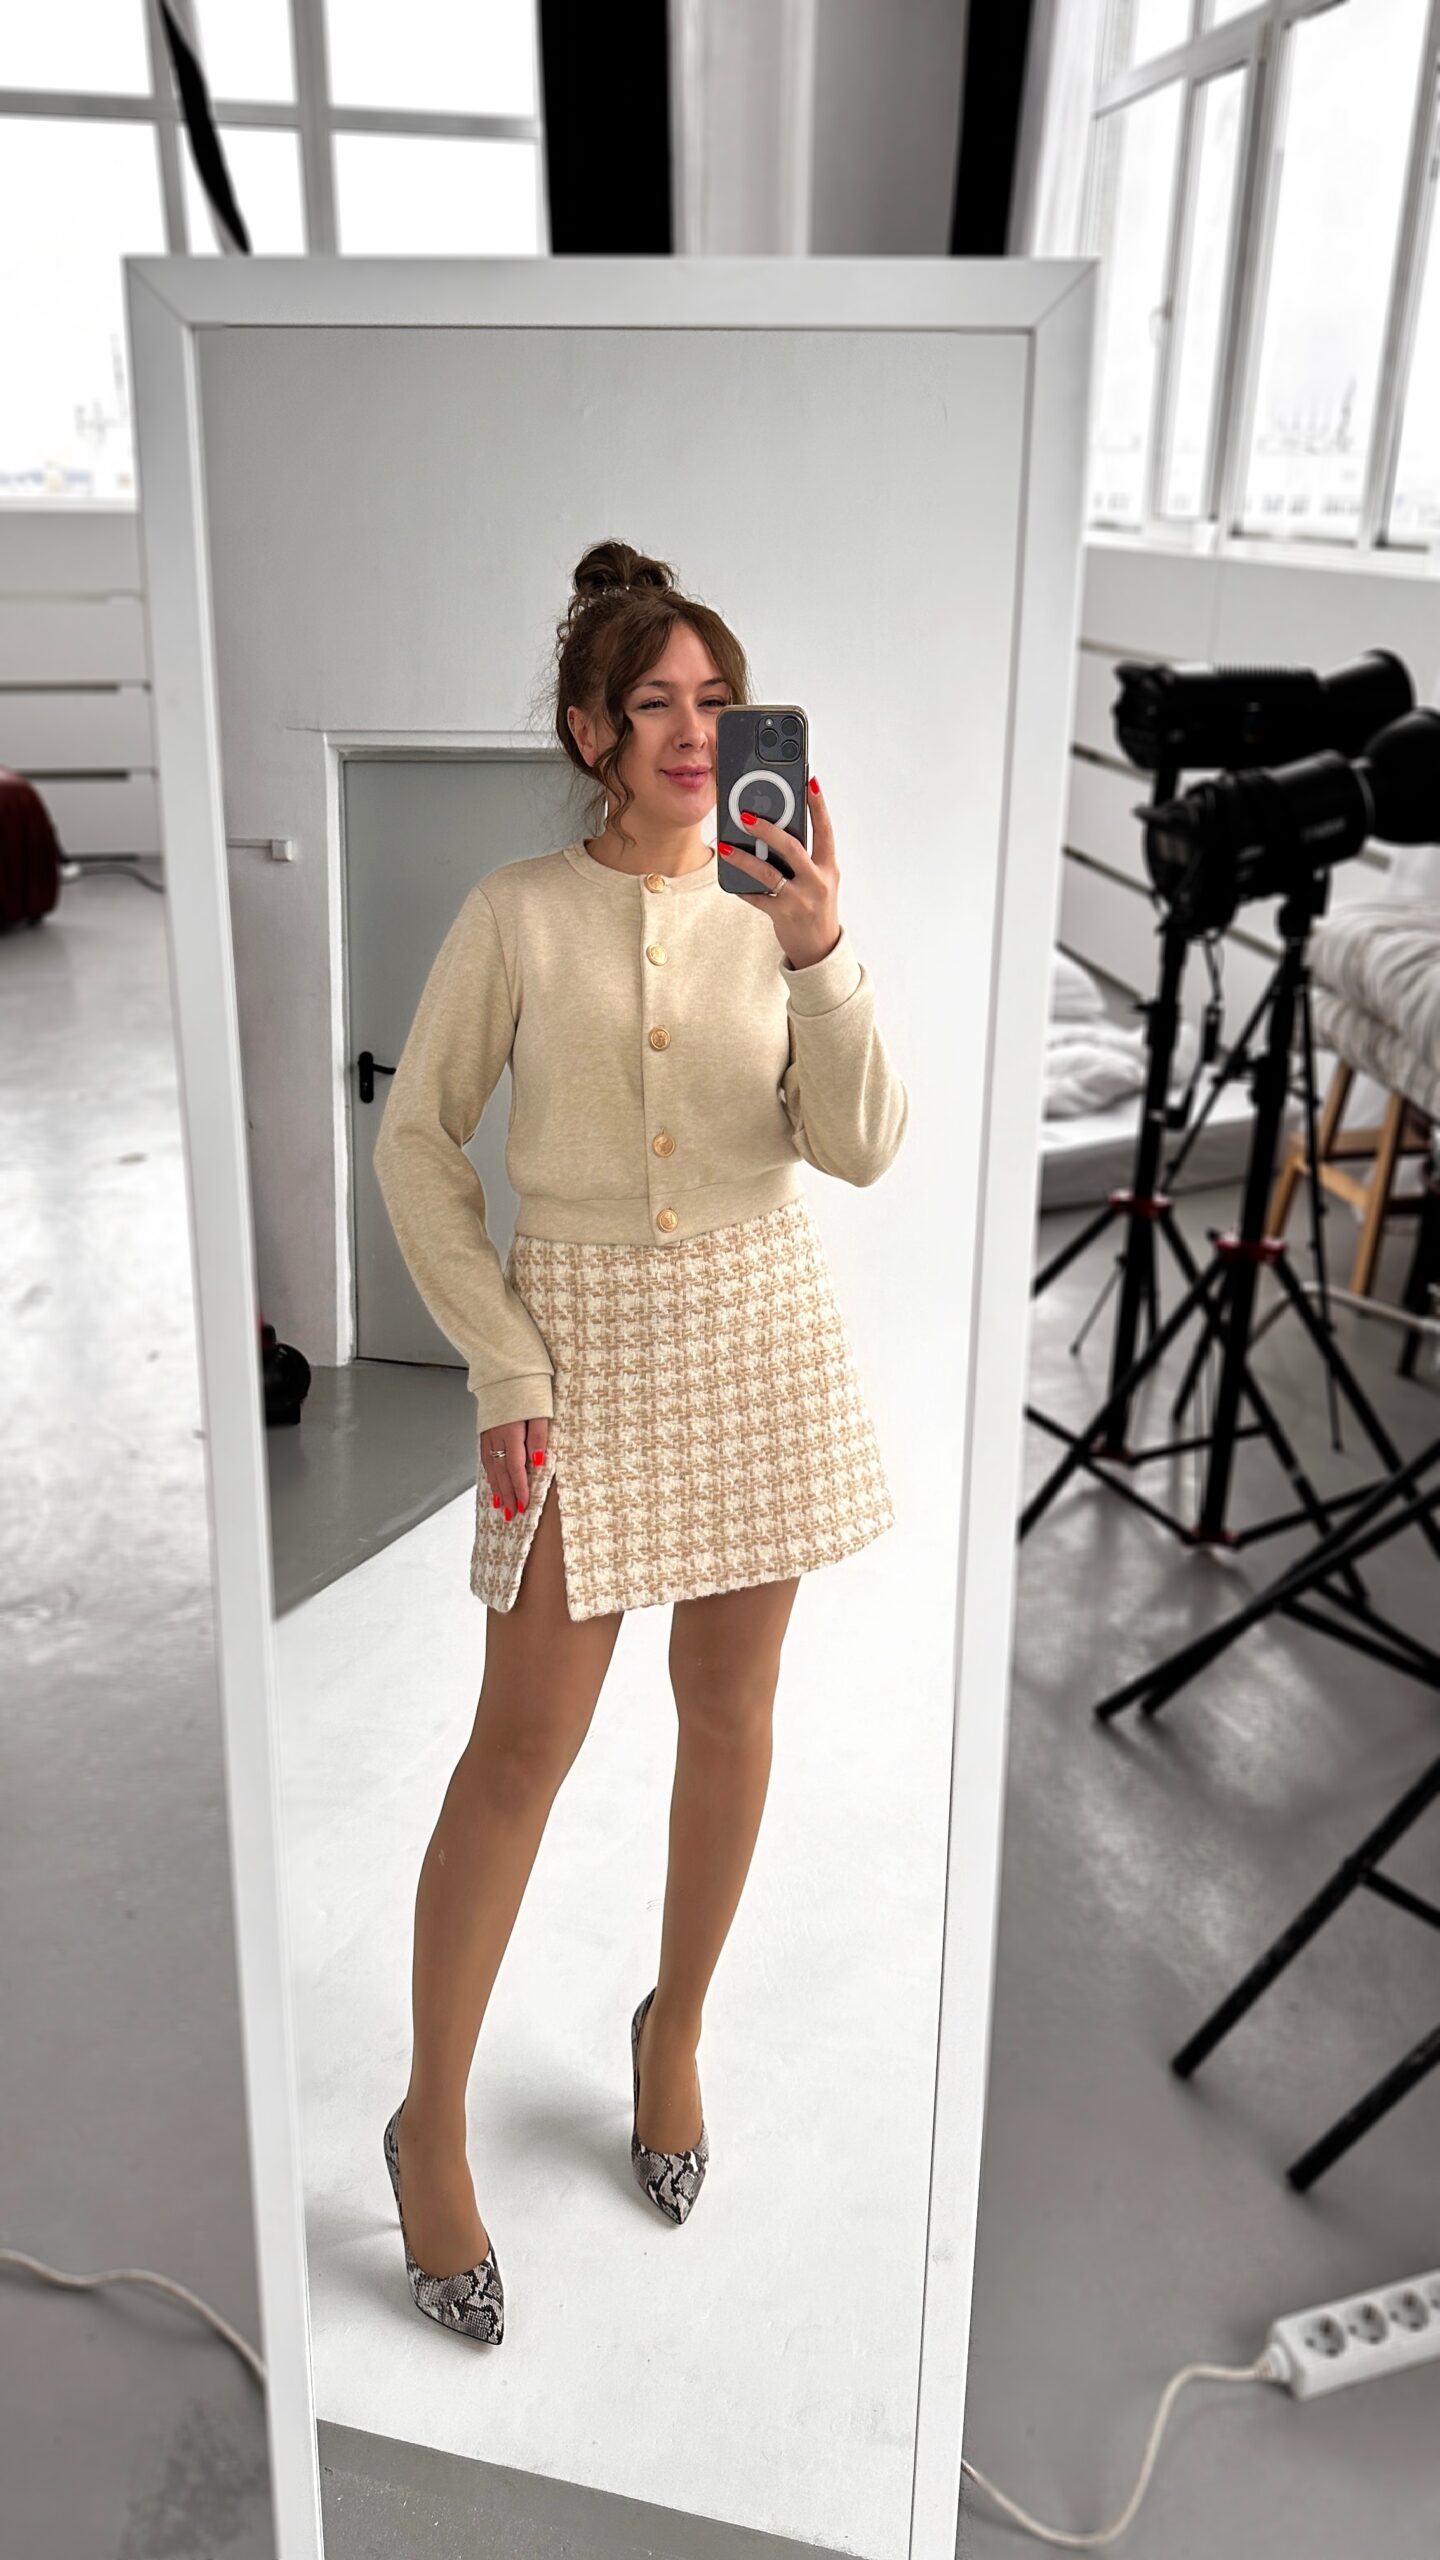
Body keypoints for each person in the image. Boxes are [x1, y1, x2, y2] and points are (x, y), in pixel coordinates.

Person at [372, 540, 909, 2343]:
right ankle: (430, 2121)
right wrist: (504, 1366)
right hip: (579, 1350)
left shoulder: (783, 904)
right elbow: (417, 1145)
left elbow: (864, 1146)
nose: (693, 731)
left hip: (762, 1332)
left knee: (731, 1711)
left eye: (718, 700)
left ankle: (672, 2030)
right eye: (657, 702)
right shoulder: (516, 912)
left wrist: (822, 951)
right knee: (519, 1750)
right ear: (592, 731)